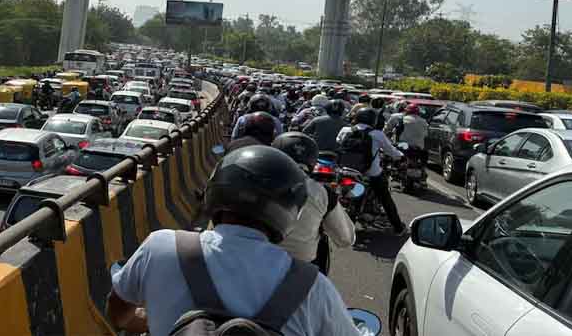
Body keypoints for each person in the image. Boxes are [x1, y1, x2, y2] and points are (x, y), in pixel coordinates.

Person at [108, 145, 361, 336]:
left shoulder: (160, 247)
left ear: (216, 189)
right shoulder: (314, 287)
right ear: (290, 211)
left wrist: (152, 321)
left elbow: (118, 313)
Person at [272, 132, 356, 265]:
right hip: (300, 267)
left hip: (251, 263)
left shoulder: (255, 183)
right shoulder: (323, 193)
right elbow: (345, 239)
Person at [341, 109, 405, 234]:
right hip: (371, 173)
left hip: (347, 171)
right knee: (385, 199)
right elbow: (391, 151)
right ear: (373, 120)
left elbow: (339, 141)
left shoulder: (346, 130)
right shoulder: (377, 134)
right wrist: (401, 156)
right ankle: (398, 228)